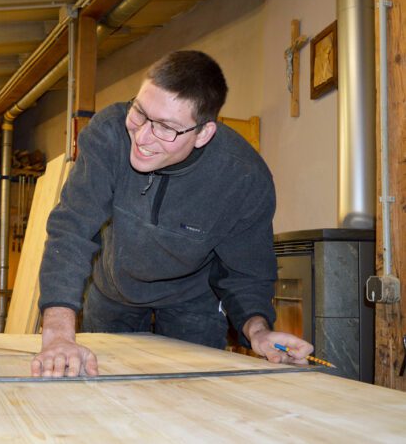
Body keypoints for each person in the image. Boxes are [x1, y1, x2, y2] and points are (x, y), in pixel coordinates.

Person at [31, 50, 314, 377]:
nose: (142, 137)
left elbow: (246, 273)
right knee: (103, 387)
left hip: (192, 299)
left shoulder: (243, 179)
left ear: (203, 133)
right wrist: (57, 333)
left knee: (190, 392)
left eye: (166, 128)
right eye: (140, 112)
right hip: (113, 290)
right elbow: (72, 230)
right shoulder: (108, 134)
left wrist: (259, 332)